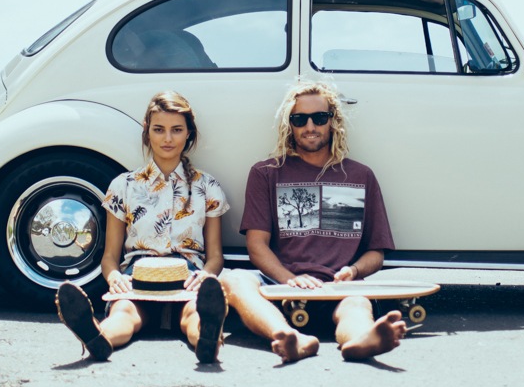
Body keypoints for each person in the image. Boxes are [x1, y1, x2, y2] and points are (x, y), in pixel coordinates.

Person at [223, 81, 407, 363]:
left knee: (357, 303)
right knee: (233, 279)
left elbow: (376, 252)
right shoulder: (266, 173)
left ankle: (360, 340)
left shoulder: (360, 175)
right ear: (290, 124)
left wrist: (354, 270)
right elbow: (256, 245)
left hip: (338, 286)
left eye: (319, 118)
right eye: (300, 119)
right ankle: (288, 337)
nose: (310, 126)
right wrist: (290, 280)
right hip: (279, 285)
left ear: (333, 122)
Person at [56, 91, 228, 364]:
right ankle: (99, 338)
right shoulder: (124, 185)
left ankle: (207, 340)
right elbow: (110, 256)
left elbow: (216, 255)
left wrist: (207, 275)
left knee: (194, 313)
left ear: (188, 134)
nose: (168, 139)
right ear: (147, 132)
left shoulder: (207, 187)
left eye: (177, 130)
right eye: (159, 130)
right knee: (124, 312)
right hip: (137, 275)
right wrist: (114, 278)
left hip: (188, 276)